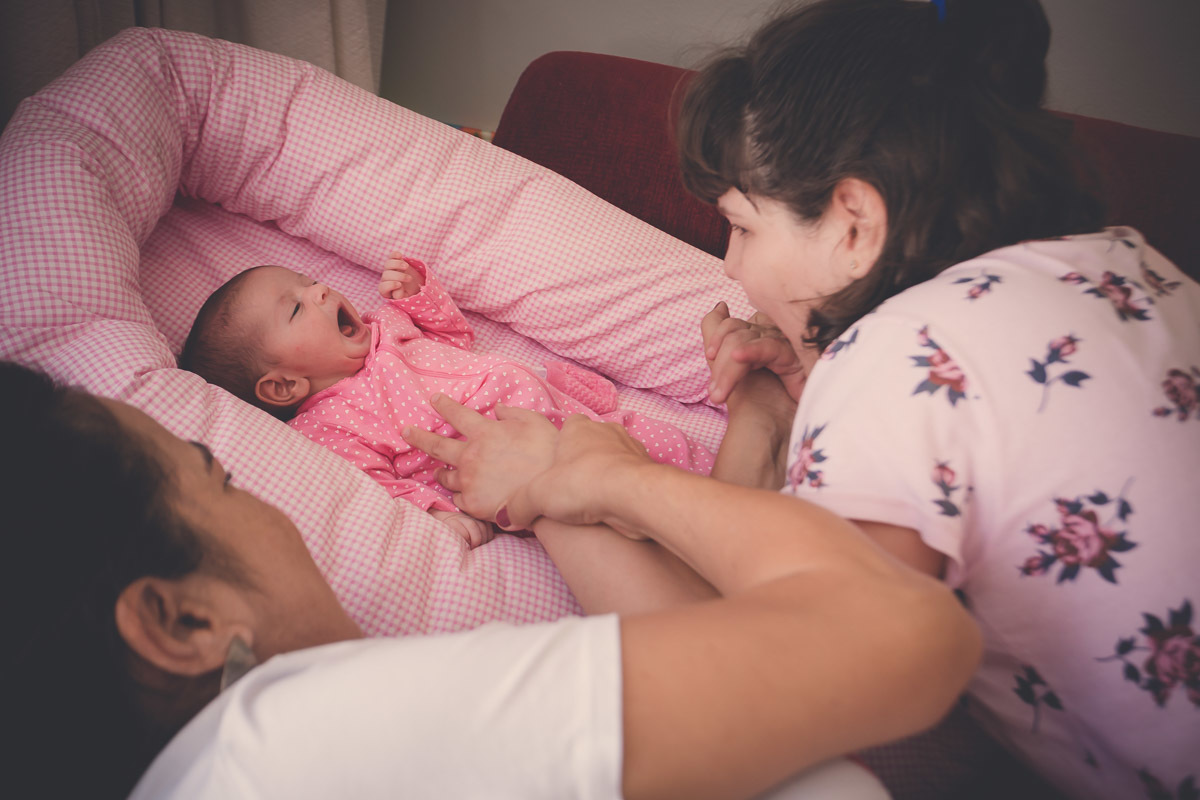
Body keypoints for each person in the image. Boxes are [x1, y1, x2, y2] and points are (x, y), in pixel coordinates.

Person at [401, 1, 1200, 798]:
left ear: (854, 222)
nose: (730, 271)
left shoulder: (894, 353)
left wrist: (555, 482)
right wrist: (774, 407)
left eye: (742, 228)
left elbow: (750, 690)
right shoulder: (1131, 264)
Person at [1, 360, 978, 799]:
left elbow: (728, 663)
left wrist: (548, 494)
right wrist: (614, 477)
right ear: (183, 617)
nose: (264, 497)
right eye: (218, 479)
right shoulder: (295, 743)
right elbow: (907, 631)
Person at [179, 253, 714, 547]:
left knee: (669, 450)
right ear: (281, 387)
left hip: (571, 414)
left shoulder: (385, 326)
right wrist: (434, 513)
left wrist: (417, 295)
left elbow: (456, 340)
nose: (318, 292)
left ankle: (745, 494)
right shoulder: (331, 423)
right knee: (620, 509)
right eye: (295, 309)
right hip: (523, 464)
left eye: (310, 281)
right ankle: (695, 538)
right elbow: (373, 487)